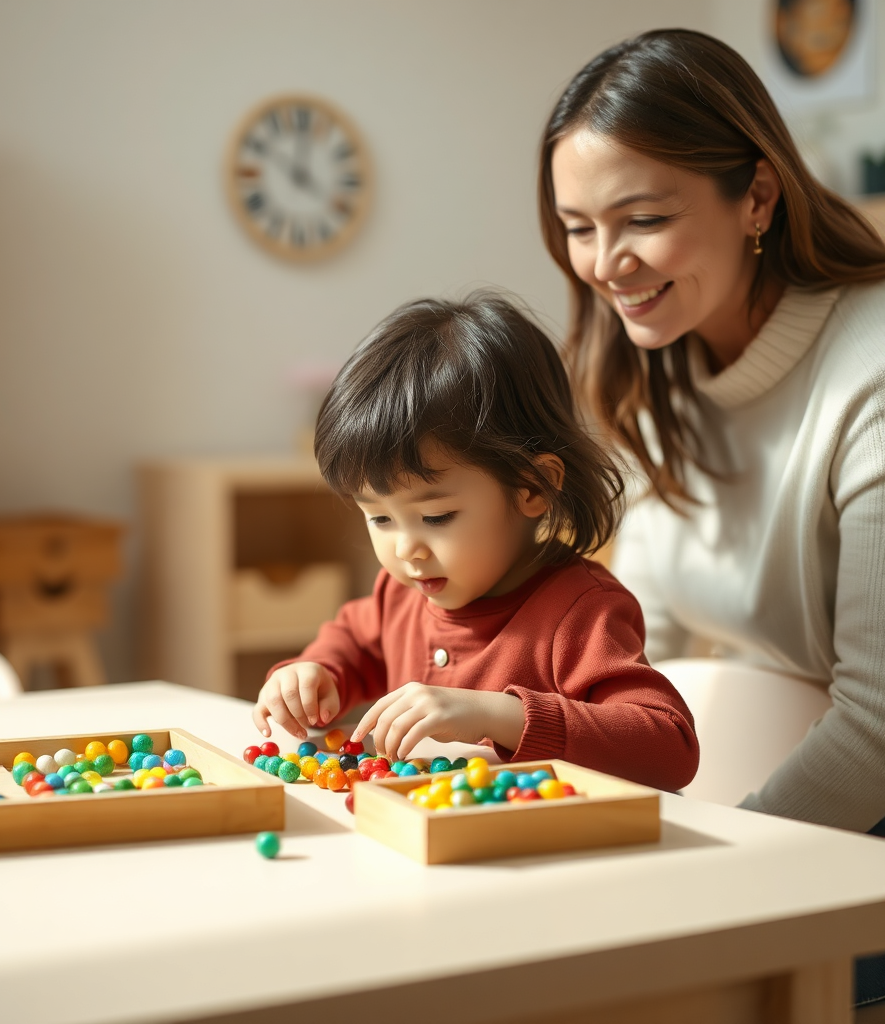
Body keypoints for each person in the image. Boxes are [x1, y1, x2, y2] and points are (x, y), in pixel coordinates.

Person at [538, 28, 885, 1005]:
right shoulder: (662, 364)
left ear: (758, 198)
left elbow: (877, 727)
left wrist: (716, 875)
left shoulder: (870, 372)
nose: (604, 264)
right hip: (778, 803)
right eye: (575, 226)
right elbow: (641, 639)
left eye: (640, 218)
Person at [252, 293, 699, 793]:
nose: (406, 549)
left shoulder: (582, 613)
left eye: (435, 516)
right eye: (379, 518)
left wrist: (500, 715)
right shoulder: (401, 593)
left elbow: (670, 747)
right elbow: (353, 643)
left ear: (532, 487)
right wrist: (312, 673)